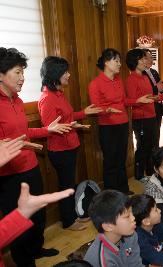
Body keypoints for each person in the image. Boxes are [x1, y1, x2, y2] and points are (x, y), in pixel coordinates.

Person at [0, 47, 72, 265]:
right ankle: (25, 261)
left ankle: (35, 249)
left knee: (38, 215)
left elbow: (25, 133)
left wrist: (47, 131)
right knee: (19, 219)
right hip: (9, 174)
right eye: (17, 72)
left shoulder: (18, 100)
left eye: (23, 72)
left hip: (30, 165)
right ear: (1, 75)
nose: (22, 78)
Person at [38, 56, 102, 231]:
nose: (69, 75)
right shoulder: (47, 98)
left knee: (69, 183)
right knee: (65, 186)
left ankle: (73, 216)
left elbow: (67, 117)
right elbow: (52, 127)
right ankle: (68, 221)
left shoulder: (58, 94)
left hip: (70, 146)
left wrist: (82, 114)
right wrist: (71, 125)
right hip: (60, 149)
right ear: (55, 74)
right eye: (65, 72)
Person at [88, 48, 134, 193]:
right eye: (117, 61)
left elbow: (124, 101)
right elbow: (95, 108)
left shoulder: (118, 80)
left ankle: (123, 189)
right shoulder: (95, 83)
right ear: (106, 62)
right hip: (108, 127)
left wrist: (137, 100)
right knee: (110, 162)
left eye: (120, 61)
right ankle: (112, 195)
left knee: (121, 159)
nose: (120, 64)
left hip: (123, 123)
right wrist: (107, 110)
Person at [126, 48, 163, 180]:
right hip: (141, 118)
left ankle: (150, 172)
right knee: (143, 147)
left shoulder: (144, 76)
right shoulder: (131, 79)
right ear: (134, 62)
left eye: (145, 58)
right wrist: (139, 100)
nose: (145, 61)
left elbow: (150, 96)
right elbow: (132, 100)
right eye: (142, 59)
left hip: (151, 115)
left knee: (153, 145)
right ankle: (139, 174)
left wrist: (161, 97)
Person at [84, 190, 143, 267]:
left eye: (132, 213)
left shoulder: (131, 235)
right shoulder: (103, 260)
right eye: (127, 216)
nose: (133, 218)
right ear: (108, 226)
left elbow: (136, 264)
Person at [142, 49, 163, 148]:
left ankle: (155, 155)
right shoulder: (140, 73)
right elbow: (146, 91)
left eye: (151, 57)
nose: (150, 60)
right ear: (141, 60)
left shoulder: (154, 71)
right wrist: (157, 88)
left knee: (156, 134)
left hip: (157, 107)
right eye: (147, 58)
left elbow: (160, 87)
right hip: (148, 108)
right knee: (148, 139)